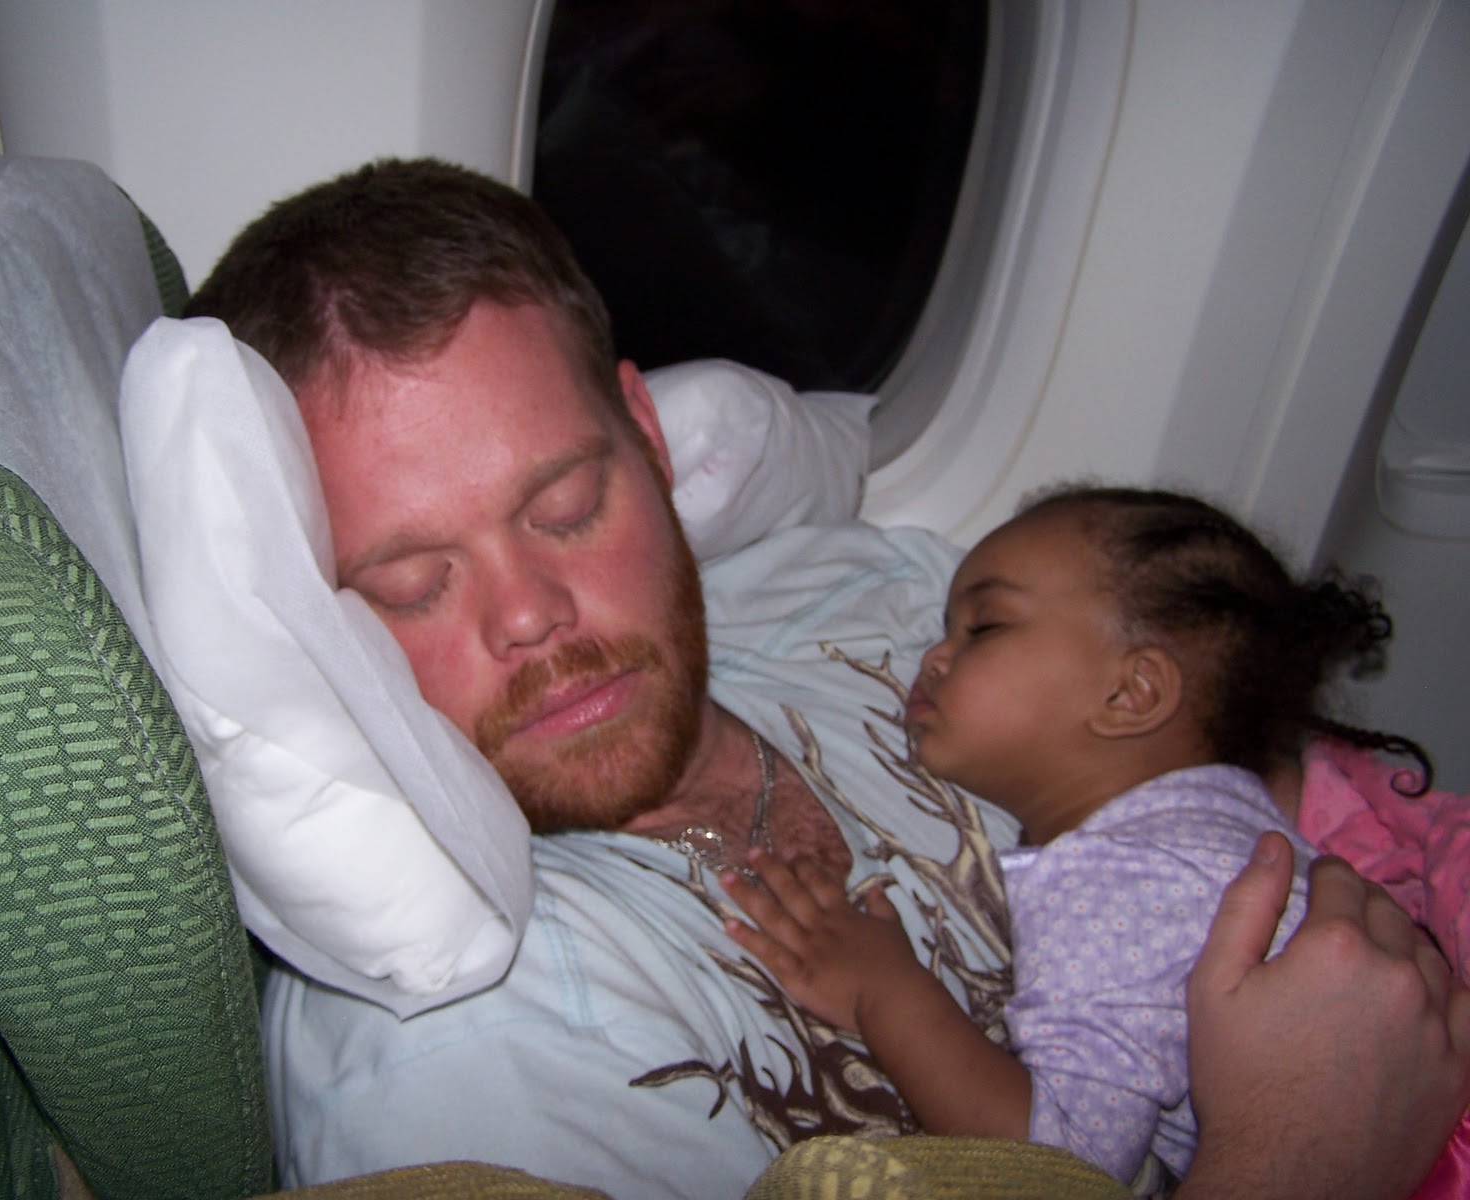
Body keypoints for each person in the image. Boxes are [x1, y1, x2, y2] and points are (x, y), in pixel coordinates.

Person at [183, 158, 1470, 1198]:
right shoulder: (461, 1074)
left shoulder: (878, 591)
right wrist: (1299, 1160)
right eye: (414, 583)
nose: (530, 615)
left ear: (646, 437)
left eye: (567, 507)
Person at [722, 486, 1442, 1191]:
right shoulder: (1231, 820)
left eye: (984, 628)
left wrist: (883, 991)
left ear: (1131, 695)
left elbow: (1063, 1167)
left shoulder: (1121, 878)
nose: (933, 657)